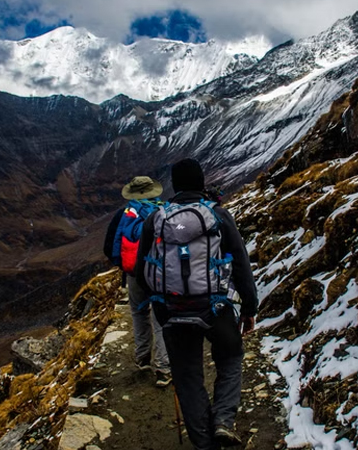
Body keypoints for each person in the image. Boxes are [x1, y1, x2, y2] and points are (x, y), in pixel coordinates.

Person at [136, 159, 258, 449]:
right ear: (202, 183)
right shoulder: (218, 216)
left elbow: (142, 271)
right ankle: (223, 422)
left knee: (188, 377)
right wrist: (250, 309)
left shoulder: (156, 219)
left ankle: (204, 443)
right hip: (215, 308)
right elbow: (241, 266)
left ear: (174, 186)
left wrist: (162, 305)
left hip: (173, 310)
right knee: (230, 358)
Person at [103, 176, 172, 387]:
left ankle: (142, 358)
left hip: (134, 274)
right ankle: (164, 368)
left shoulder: (124, 214)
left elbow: (109, 246)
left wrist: (125, 265)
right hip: (160, 273)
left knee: (139, 312)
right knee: (161, 317)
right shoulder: (164, 212)